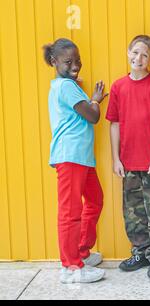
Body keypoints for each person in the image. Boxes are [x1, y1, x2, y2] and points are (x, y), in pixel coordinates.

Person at [106, 35, 150, 280]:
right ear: (128, 52)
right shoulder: (118, 87)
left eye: (145, 55)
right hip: (128, 162)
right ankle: (141, 252)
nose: (139, 58)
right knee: (133, 212)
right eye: (135, 52)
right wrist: (116, 158)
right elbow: (114, 124)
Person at [43, 38, 108, 284]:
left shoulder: (67, 85)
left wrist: (80, 88)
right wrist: (95, 100)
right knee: (70, 212)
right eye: (68, 61)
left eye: (78, 61)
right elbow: (92, 116)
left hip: (81, 157)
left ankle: (81, 251)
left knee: (94, 200)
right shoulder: (65, 87)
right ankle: (71, 267)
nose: (76, 65)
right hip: (69, 156)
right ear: (54, 62)